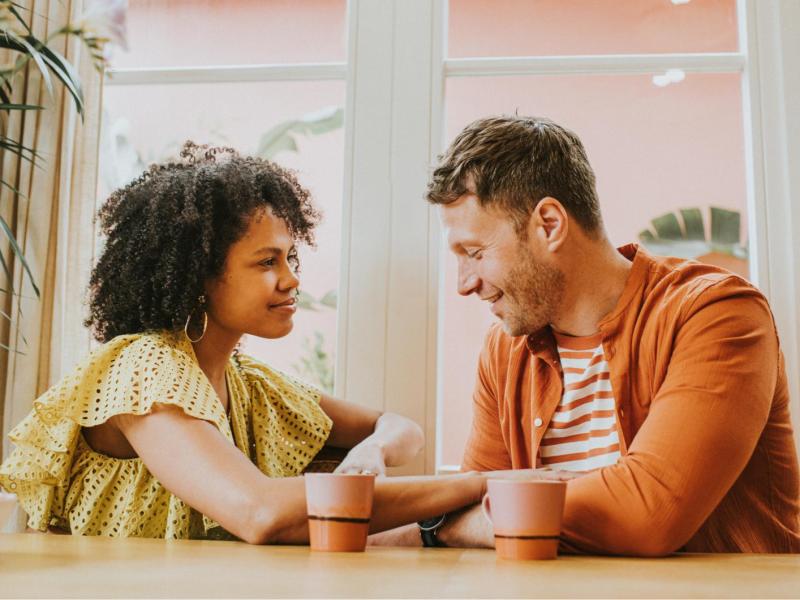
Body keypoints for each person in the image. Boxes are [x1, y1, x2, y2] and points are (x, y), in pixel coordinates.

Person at [0, 142, 486, 542]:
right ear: (200, 276)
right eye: (267, 262)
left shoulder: (249, 384)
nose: (292, 279)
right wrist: (478, 485)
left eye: (291, 257)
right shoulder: (144, 369)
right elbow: (261, 513)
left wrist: (374, 449)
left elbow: (401, 427)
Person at [374, 115, 800, 555]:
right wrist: (457, 519)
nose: (464, 283)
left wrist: (439, 527)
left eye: (475, 252)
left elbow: (646, 514)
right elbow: (469, 505)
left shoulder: (715, 313)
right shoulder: (506, 348)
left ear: (550, 225)